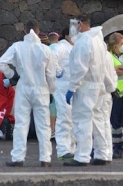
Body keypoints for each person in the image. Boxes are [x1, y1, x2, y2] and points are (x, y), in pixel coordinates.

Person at [0, 20, 57, 167]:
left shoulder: (17, 47)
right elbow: (51, 75)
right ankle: (45, 159)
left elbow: (0, 63)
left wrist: (12, 74)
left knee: (21, 124)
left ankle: (18, 158)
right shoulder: (45, 50)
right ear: (38, 31)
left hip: (24, 87)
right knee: (43, 125)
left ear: (25, 30)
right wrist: (51, 90)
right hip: (41, 89)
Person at [64, 14, 117, 167]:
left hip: (86, 87)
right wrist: (110, 86)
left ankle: (82, 156)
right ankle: (103, 154)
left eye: (75, 24)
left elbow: (80, 68)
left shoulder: (84, 42)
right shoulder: (98, 41)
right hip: (99, 87)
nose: (74, 27)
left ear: (81, 24)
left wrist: (72, 88)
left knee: (83, 121)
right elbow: (105, 66)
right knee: (100, 121)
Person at [51, 27, 76, 160]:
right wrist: (59, 72)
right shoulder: (61, 46)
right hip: (62, 88)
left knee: (72, 119)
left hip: (72, 88)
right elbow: (51, 57)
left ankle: (71, 149)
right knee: (65, 118)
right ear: (67, 36)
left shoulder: (74, 47)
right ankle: (63, 150)